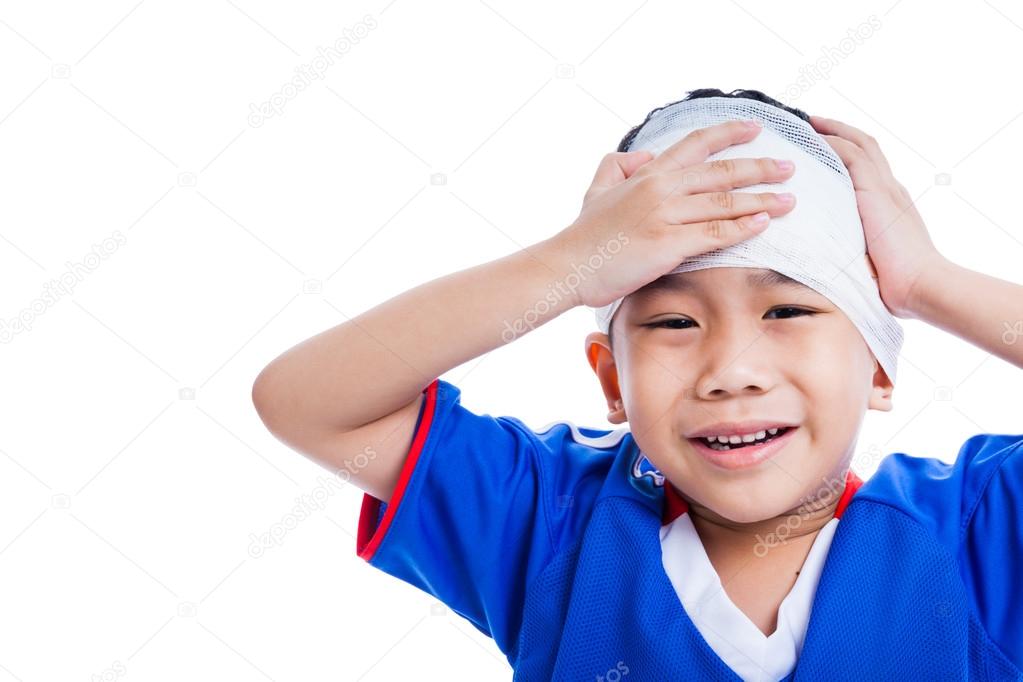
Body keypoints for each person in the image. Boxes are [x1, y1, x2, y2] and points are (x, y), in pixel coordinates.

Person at [251, 88, 1023, 680]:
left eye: (786, 308)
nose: (730, 372)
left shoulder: (978, 534)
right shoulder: (547, 522)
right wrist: (566, 265)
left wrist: (926, 281)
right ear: (611, 380)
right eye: (673, 324)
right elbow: (308, 405)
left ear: (880, 365)